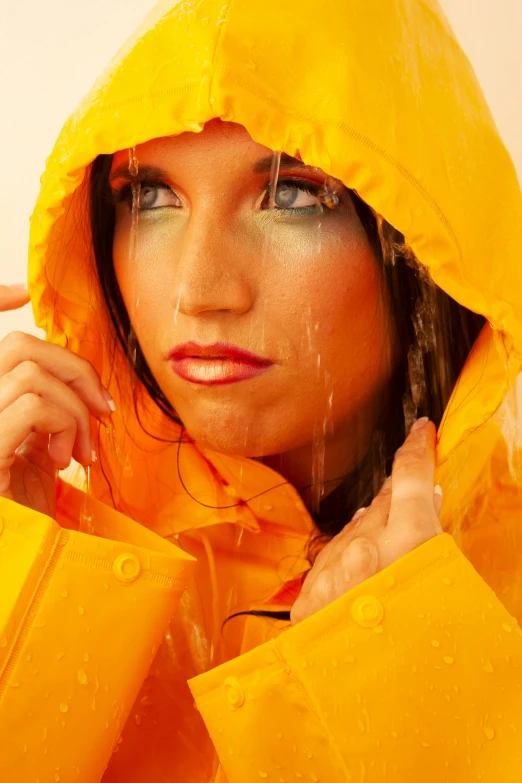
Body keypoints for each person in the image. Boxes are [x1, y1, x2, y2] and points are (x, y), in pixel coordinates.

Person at [0, 0, 521, 780]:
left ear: (427, 249)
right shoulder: (49, 539)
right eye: (149, 196)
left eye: (295, 195)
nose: (198, 290)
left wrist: (393, 665)